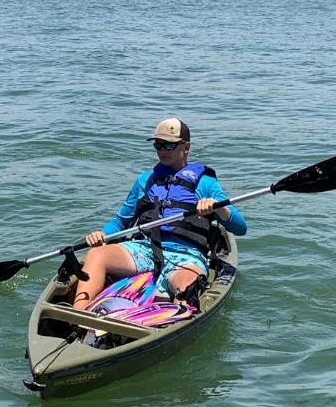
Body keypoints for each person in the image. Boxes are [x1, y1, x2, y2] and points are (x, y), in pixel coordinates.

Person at [73, 117, 247, 309]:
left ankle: (171, 323)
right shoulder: (145, 181)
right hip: (143, 249)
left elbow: (240, 227)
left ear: (186, 147)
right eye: (158, 145)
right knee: (97, 254)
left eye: (169, 146)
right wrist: (103, 235)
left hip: (186, 255)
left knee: (187, 288)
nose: (162, 151)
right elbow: (121, 221)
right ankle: (77, 316)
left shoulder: (205, 184)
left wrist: (218, 207)